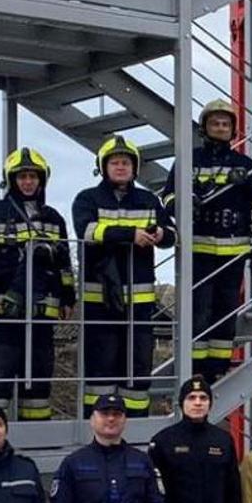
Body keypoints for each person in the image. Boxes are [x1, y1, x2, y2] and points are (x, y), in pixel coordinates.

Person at [74, 137, 175, 417]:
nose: (121, 167)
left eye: (126, 162)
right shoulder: (87, 199)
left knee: (137, 368)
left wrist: (159, 235)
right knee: (100, 368)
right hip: (100, 302)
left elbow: (172, 235)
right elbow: (87, 232)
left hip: (140, 303)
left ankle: (136, 427)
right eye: (115, 162)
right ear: (103, 167)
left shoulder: (148, 199)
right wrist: (130, 235)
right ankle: (96, 426)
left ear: (135, 168)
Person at [165, 100, 252, 381]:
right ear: (204, 127)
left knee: (226, 310)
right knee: (200, 310)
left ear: (232, 130)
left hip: (235, 249)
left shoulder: (246, 165)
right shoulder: (189, 161)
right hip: (199, 247)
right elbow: (168, 196)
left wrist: (249, 184)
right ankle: (195, 370)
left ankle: (218, 369)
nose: (220, 128)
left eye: (225, 124)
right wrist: (186, 202)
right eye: (215, 123)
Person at [0, 147, 75, 421]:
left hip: (44, 310)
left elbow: (64, 261)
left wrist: (68, 297)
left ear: (42, 179)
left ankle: (37, 429)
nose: (28, 182)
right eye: (22, 177)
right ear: (11, 180)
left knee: (40, 371)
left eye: (33, 176)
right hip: (4, 310)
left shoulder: (54, 218)